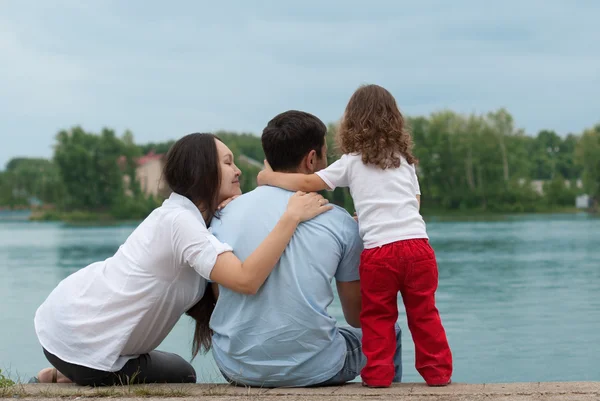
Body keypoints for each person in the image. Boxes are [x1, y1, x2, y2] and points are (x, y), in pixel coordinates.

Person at [31, 133, 331, 386]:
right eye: (228, 163)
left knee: (174, 368)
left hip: (75, 333)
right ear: (202, 172)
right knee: (183, 374)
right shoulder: (180, 224)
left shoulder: (186, 219)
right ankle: (70, 372)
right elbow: (245, 280)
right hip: (85, 344)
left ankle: (62, 372)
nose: (238, 170)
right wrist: (291, 217)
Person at [257, 85, 453, 388]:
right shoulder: (405, 160)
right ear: (395, 120)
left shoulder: (351, 161)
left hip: (379, 254)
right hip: (418, 248)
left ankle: (377, 376)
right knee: (424, 313)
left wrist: (268, 177)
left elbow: (310, 182)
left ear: (352, 123)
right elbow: (413, 203)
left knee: (378, 316)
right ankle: (438, 373)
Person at [204, 110, 402, 388]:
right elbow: (356, 317)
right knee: (389, 330)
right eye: (325, 157)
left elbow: (218, 294)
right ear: (311, 160)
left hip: (236, 367)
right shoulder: (339, 221)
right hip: (317, 368)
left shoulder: (223, 214)